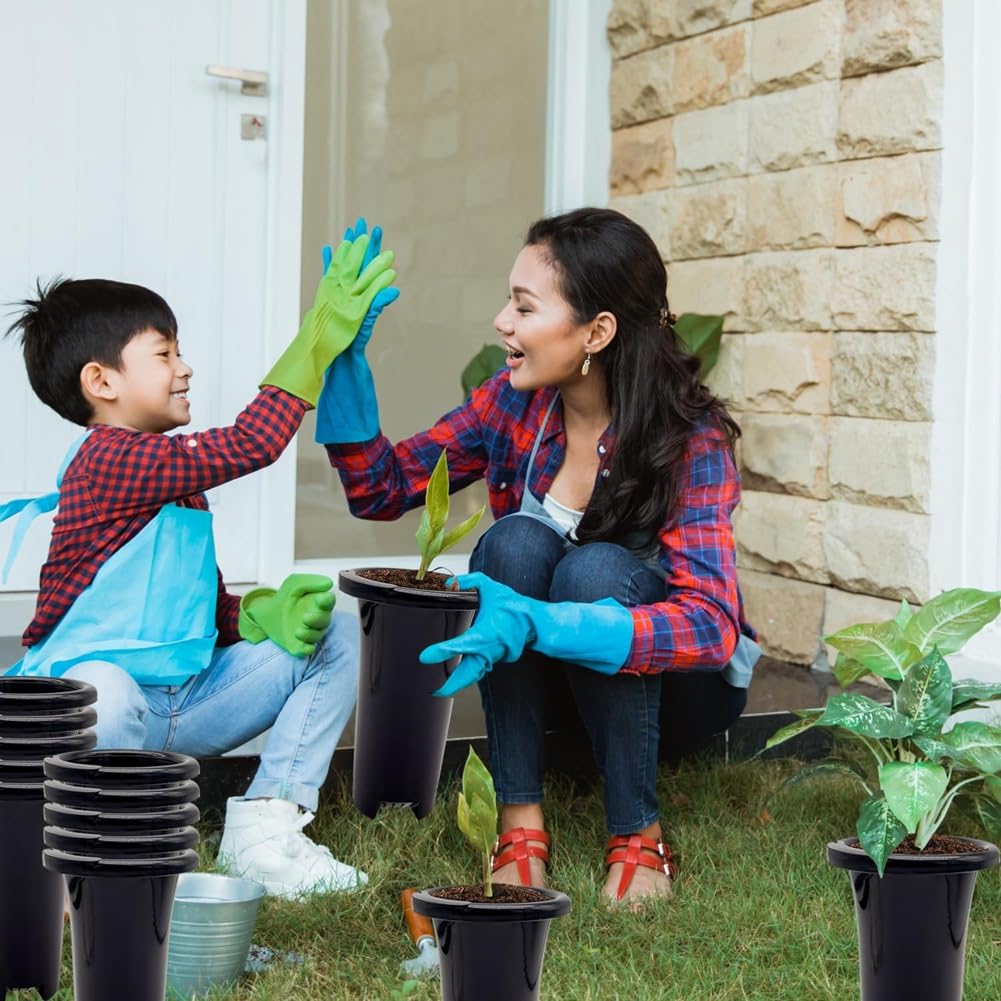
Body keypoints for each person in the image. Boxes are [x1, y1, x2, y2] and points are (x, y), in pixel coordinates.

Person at [318, 209, 759, 906]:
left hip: (676, 695)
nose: (502, 322)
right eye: (508, 301)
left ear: (596, 332)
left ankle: (637, 830)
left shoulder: (687, 438)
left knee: (593, 569)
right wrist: (341, 358)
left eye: (524, 306)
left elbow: (710, 628)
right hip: (556, 683)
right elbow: (382, 488)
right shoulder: (513, 403)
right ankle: (519, 822)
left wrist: (540, 623)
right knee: (513, 542)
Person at [1, 233, 397, 898]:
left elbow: (205, 615)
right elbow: (252, 442)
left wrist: (262, 614)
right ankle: (92, 858)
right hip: (93, 726)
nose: (184, 368)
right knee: (105, 685)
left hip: (180, 704)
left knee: (337, 631)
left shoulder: (175, 481)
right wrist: (313, 342)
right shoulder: (108, 459)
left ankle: (266, 830)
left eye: (178, 350)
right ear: (101, 381)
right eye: (163, 354)